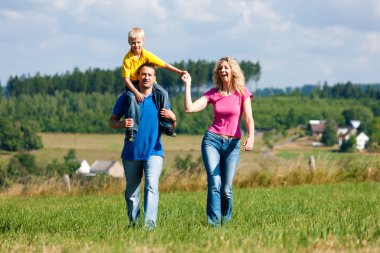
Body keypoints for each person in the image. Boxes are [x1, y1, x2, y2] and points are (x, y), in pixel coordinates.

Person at [181, 57, 255, 227]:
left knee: (226, 190)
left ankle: (225, 222)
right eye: (220, 68)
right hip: (212, 141)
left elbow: (249, 118)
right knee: (214, 183)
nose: (222, 71)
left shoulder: (242, 92)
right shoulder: (213, 93)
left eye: (226, 68)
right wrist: (188, 85)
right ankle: (213, 224)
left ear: (233, 71)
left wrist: (251, 137)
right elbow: (190, 108)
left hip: (232, 145)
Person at [109, 63, 177, 229]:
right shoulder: (126, 98)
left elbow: (170, 127)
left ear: (155, 79)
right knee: (131, 192)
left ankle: (149, 226)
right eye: (143, 74)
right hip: (131, 152)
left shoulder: (160, 98)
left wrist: (173, 118)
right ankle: (133, 225)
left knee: (151, 186)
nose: (146, 77)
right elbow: (111, 121)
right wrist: (122, 124)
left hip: (154, 151)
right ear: (138, 77)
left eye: (150, 75)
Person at [122, 27, 186, 141]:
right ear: (129, 42)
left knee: (163, 93)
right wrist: (136, 92)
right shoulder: (127, 59)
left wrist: (179, 71)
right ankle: (132, 130)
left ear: (143, 41)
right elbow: (126, 79)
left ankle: (165, 123)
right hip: (132, 84)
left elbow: (164, 64)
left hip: (147, 81)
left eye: (138, 42)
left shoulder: (147, 54)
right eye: (133, 43)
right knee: (131, 98)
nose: (136, 45)